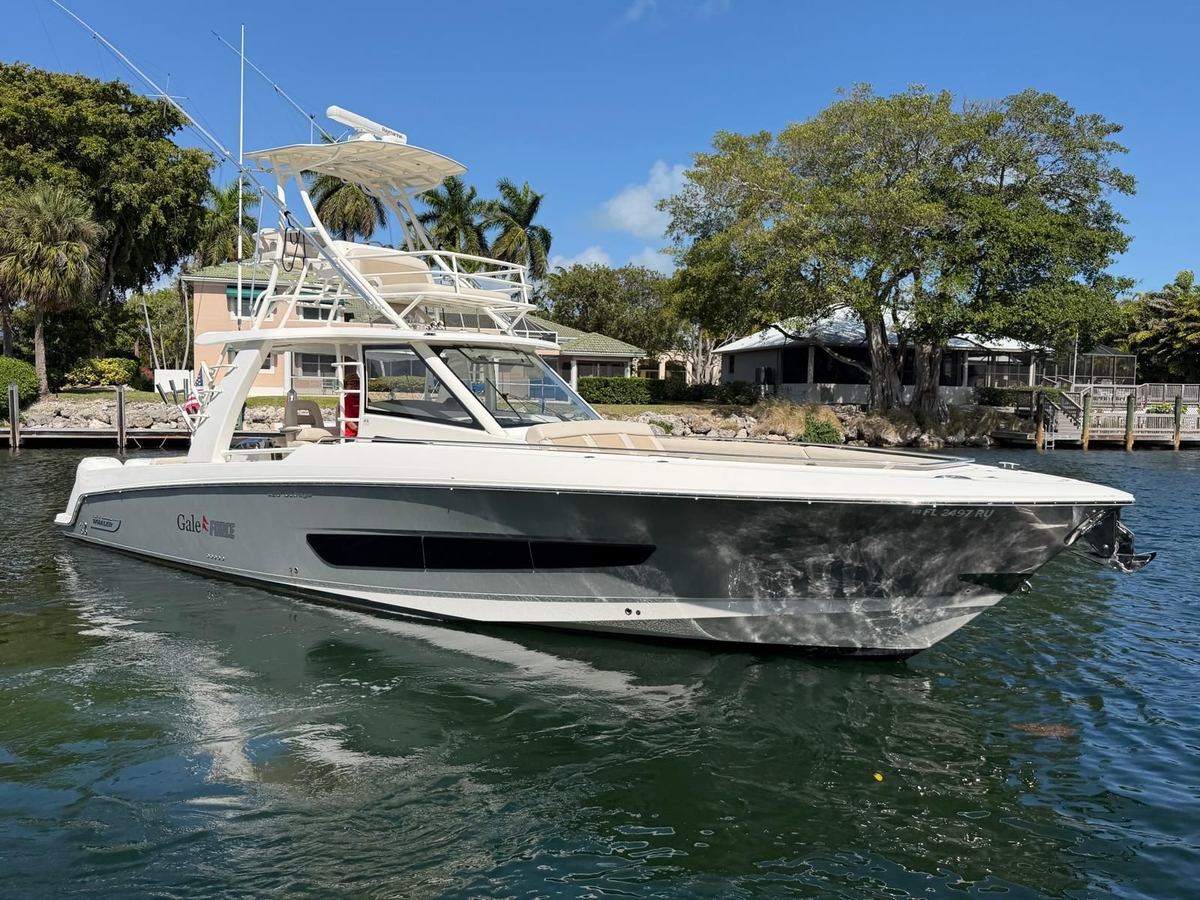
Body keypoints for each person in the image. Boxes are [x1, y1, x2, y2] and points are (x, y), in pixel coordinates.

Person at [342, 370, 361, 438]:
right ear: (346, 386)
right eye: (351, 384)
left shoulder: (366, 400)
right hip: (351, 437)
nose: (354, 386)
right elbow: (352, 425)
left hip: (363, 434)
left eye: (356, 384)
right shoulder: (344, 402)